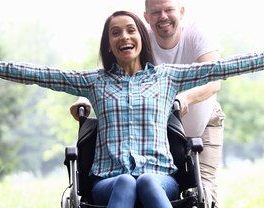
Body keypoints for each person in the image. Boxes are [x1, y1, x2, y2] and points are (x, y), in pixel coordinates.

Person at [0, 10, 264, 208]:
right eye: (116, 32)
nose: (124, 36)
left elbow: (222, 67)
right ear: (109, 43)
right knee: (126, 182)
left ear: (141, 38)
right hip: (108, 180)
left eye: (131, 30)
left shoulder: (166, 78)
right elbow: (38, 74)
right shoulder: (96, 82)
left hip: (160, 176)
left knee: (148, 182)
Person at [70, 1, 225, 204]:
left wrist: (185, 97)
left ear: (181, 11)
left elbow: (215, 77)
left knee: (203, 192)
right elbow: (106, 74)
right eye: (156, 12)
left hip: (200, 122)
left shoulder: (196, 34)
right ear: (146, 17)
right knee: (131, 181)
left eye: (168, 10)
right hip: (153, 127)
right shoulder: (137, 38)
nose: (163, 17)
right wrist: (84, 97)